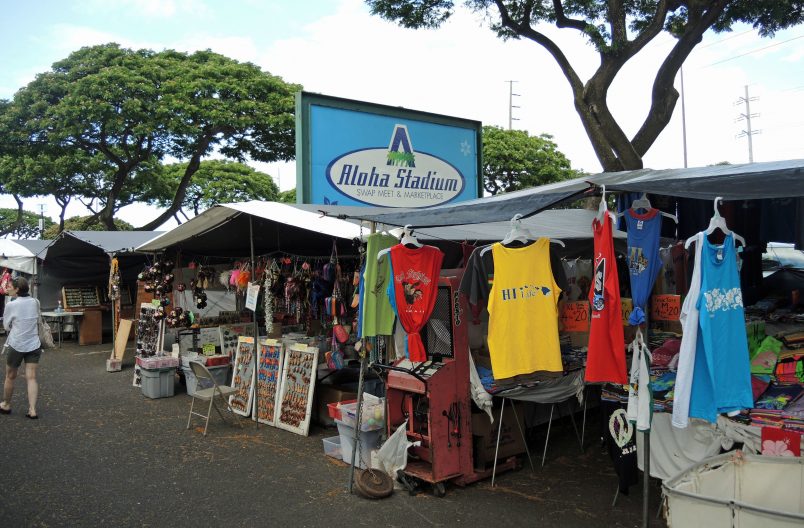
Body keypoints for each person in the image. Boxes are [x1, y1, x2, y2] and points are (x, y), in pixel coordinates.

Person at [0, 276, 42, 419]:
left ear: (17, 289)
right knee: (31, 377)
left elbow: (6, 326)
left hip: (17, 344)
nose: (8, 288)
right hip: (34, 344)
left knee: (10, 376)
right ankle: (32, 409)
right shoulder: (35, 302)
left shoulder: (11, 305)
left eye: (10, 286)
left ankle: (6, 404)